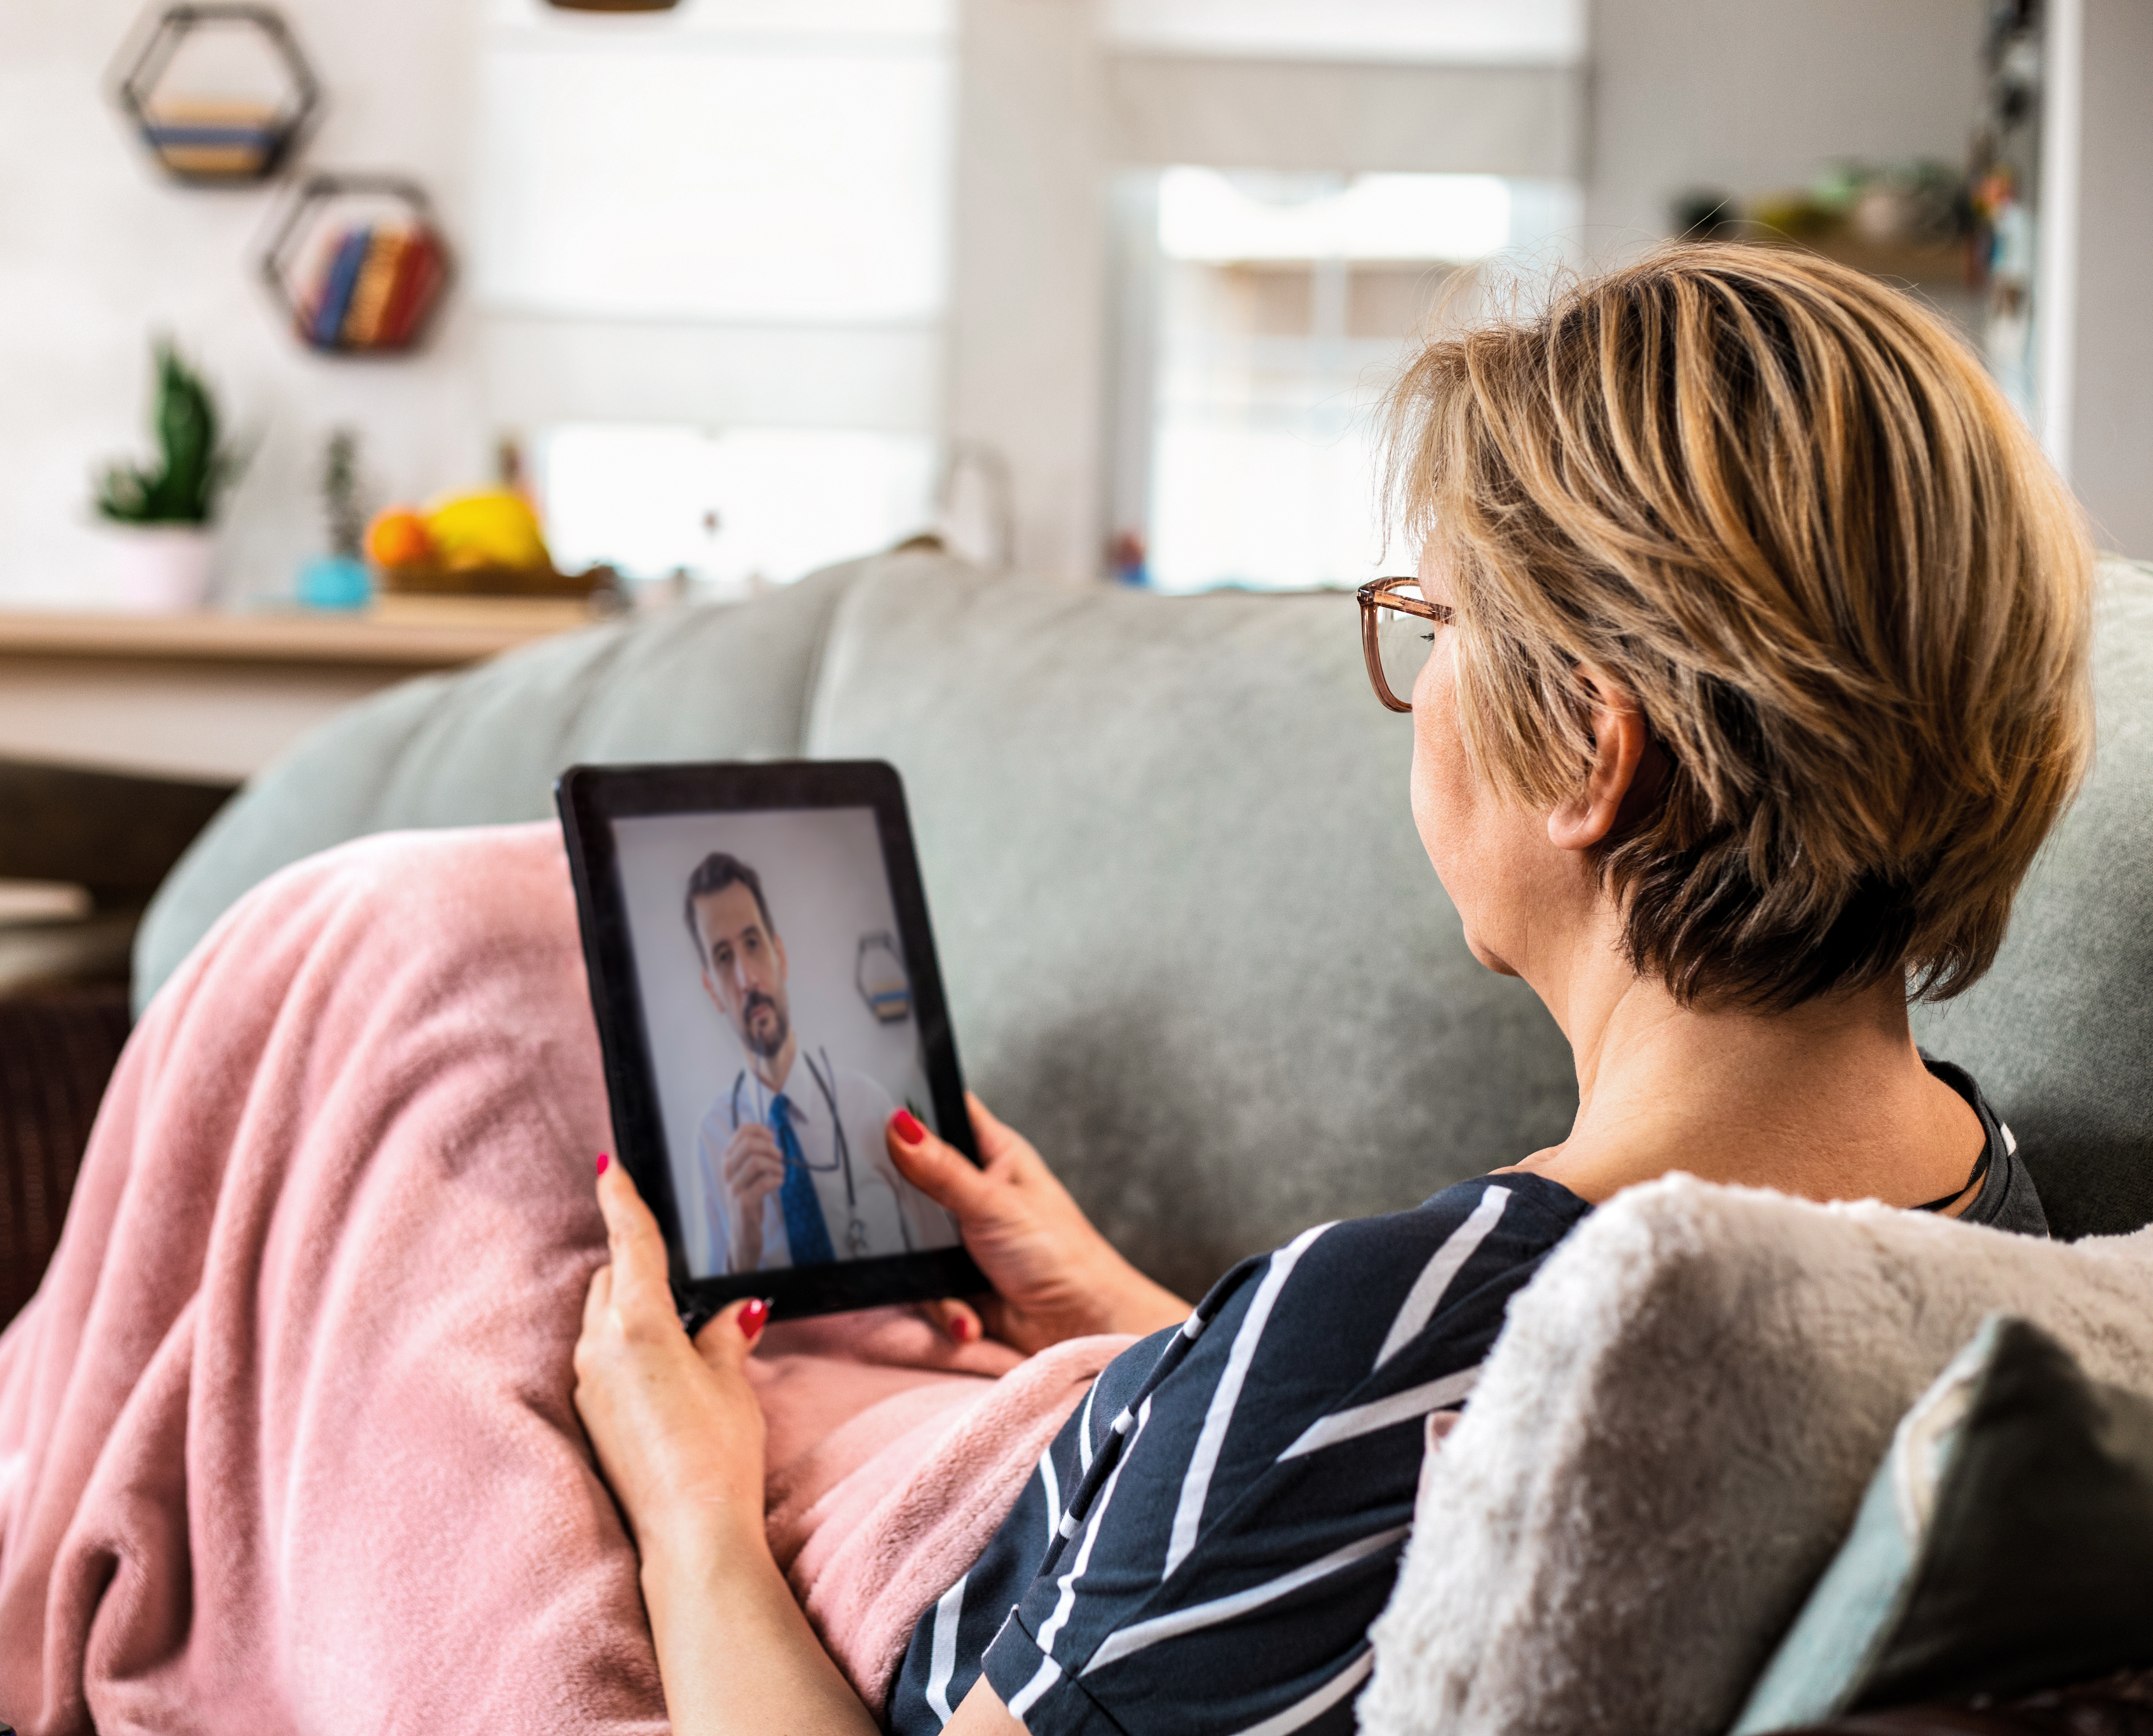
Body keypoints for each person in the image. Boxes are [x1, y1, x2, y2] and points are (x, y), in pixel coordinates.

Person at [572, 243, 2093, 1735]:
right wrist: (1153, 1336)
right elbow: (1406, 1512)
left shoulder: (1397, 1320)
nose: (1418, 691)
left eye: (1437, 629)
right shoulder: (2003, 1227)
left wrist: (685, 1505)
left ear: (1590, 750)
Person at [682, 851, 957, 1275]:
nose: (746, 979)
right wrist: (743, 1243)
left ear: (780, 956)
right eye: (723, 957)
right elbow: (705, 1324)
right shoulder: (712, 1141)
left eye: (753, 944)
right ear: (712, 990)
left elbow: (946, 1259)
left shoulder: (868, 1104)